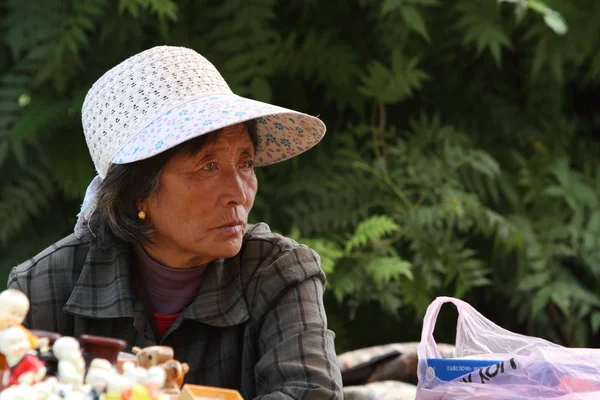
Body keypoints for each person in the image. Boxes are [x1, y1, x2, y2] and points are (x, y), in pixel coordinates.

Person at [7, 46, 343, 399]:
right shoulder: (42, 288)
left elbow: (311, 392)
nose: (238, 194)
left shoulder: (276, 273)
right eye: (207, 166)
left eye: (245, 164)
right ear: (137, 193)